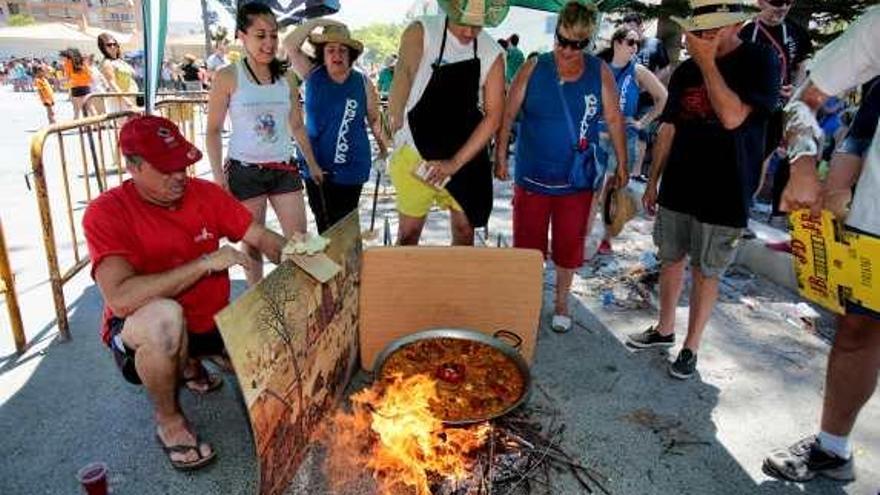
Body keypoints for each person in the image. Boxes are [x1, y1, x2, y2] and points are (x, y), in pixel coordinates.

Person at [83, 115, 292, 471]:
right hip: (143, 328)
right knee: (165, 319)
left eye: (181, 162)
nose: (179, 174)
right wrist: (203, 264)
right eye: (166, 168)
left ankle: (192, 363)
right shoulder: (106, 212)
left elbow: (260, 237)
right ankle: (170, 421)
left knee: (269, 356)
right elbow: (120, 298)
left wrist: (300, 254)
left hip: (207, 320)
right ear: (132, 166)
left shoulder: (205, 194)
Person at [630, 0, 779, 379]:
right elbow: (669, 127)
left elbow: (732, 117)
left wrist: (709, 62)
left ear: (737, 25)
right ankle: (664, 330)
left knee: (706, 270)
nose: (704, 36)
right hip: (680, 181)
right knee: (670, 258)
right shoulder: (685, 70)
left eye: (715, 28)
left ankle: (691, 347)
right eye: (701, 28)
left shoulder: (760, 61)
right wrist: (653, 180)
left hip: (727, 187)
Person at [763, 6, 880, 482]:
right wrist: (807, 164)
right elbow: (805, 100)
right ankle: (833, 449)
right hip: (876, 228)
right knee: (856, 333)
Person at [495, 1, 628, 333]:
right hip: (531, 176)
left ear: (589, 41)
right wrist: (499, 155)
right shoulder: (533, 67)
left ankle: (562, 302)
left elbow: (613, 118)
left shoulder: (600, 71)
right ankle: (527, 301)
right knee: (527, 247)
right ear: (556, 34)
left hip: (576, 180)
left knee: (569, 244)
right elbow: (508, 114)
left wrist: (624, 162)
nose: (568, 50)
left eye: (578, 44)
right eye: (563, 41)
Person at [207, 2, 313, 285]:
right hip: (245, 171)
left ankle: (302, 297)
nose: (269, 43)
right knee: (253, 243)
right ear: (242, 36)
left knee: (299, 241)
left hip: (283, 169)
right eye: (260, 35)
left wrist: (312, 164)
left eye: (274, 35)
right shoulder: (228, 76)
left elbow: (297, 125)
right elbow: (213, 131)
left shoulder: (286, 77)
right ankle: (258, 302)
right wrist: (219, 179)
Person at [387, 0, 506, 246]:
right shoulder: (421, 31)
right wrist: (395, 126)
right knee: (408, 235)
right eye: (464, 23)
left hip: (464, 154)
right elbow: (402, 79)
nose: (469, 33)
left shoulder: (491, 52)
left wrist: (454, 163)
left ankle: (459, 284)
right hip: (416, 152)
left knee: (464, 232)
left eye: (477, 26)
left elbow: (494, 115)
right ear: (451, 9)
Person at [284, 19, 390, 233]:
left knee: (345, 226)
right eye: (330, 49)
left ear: (350, 55)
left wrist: (385, 150)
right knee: (325, 226)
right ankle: (335, 266)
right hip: (315, 166)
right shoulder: (311, 74)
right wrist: (320, 21)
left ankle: (347, 265)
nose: (337, 55)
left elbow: (375, 119)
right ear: (322, 53)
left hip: (352, 167)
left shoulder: (363, 82)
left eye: (343, 50)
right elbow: (289, 45)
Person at [594, 26, 667, 255]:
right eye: (630, 42)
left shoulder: (638, 71)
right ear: (617, 43)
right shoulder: (599, 68)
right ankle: (582, 236)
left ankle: (606, 237)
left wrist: (643, 122)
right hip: (598, 136)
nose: (635, 47)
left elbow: (662, 97)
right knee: (590, 190)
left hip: (624, 141)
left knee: (613, 191)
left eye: (638, 43)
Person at [739, 0, 811, 229]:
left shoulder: (796, 32)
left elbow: (802, 67)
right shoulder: (745, 30)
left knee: (763, 157)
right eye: (775, 4)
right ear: (760, 2)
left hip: (777, 109)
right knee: (741, 156)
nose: (782, 9)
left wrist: (797, 92)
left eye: (788, 3)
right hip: (745, 108)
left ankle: (744, 209)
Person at [622, 12, 672, 181]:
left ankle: (636, 172)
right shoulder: (626, 44)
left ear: (640, 26)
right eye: (626, 28)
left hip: (647, 98)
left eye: (633, 27)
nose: (630, 32)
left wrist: (651, 83)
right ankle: (622, 167)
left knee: (641, 130)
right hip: (628, 96)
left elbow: (666, 68)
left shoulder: (654, 44)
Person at [98, 32, 139, 113]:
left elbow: (133, 75)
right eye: (109, 45)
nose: (113, 47)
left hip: (131, 97)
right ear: (103, 48)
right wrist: (127, 102)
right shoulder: (107, 63)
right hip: (121, 102)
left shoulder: (120, 61)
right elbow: (112, 84)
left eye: (114, 44)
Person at [62, 48, 92, 119]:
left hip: (75, 87)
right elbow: (89, 74)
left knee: (76, 110)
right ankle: (96, 125)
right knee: (90, 108)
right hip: (86, 86)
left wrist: (62, 82)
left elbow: (67, 77)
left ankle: (78, 126)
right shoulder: (82, 61)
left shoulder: (67, 63)